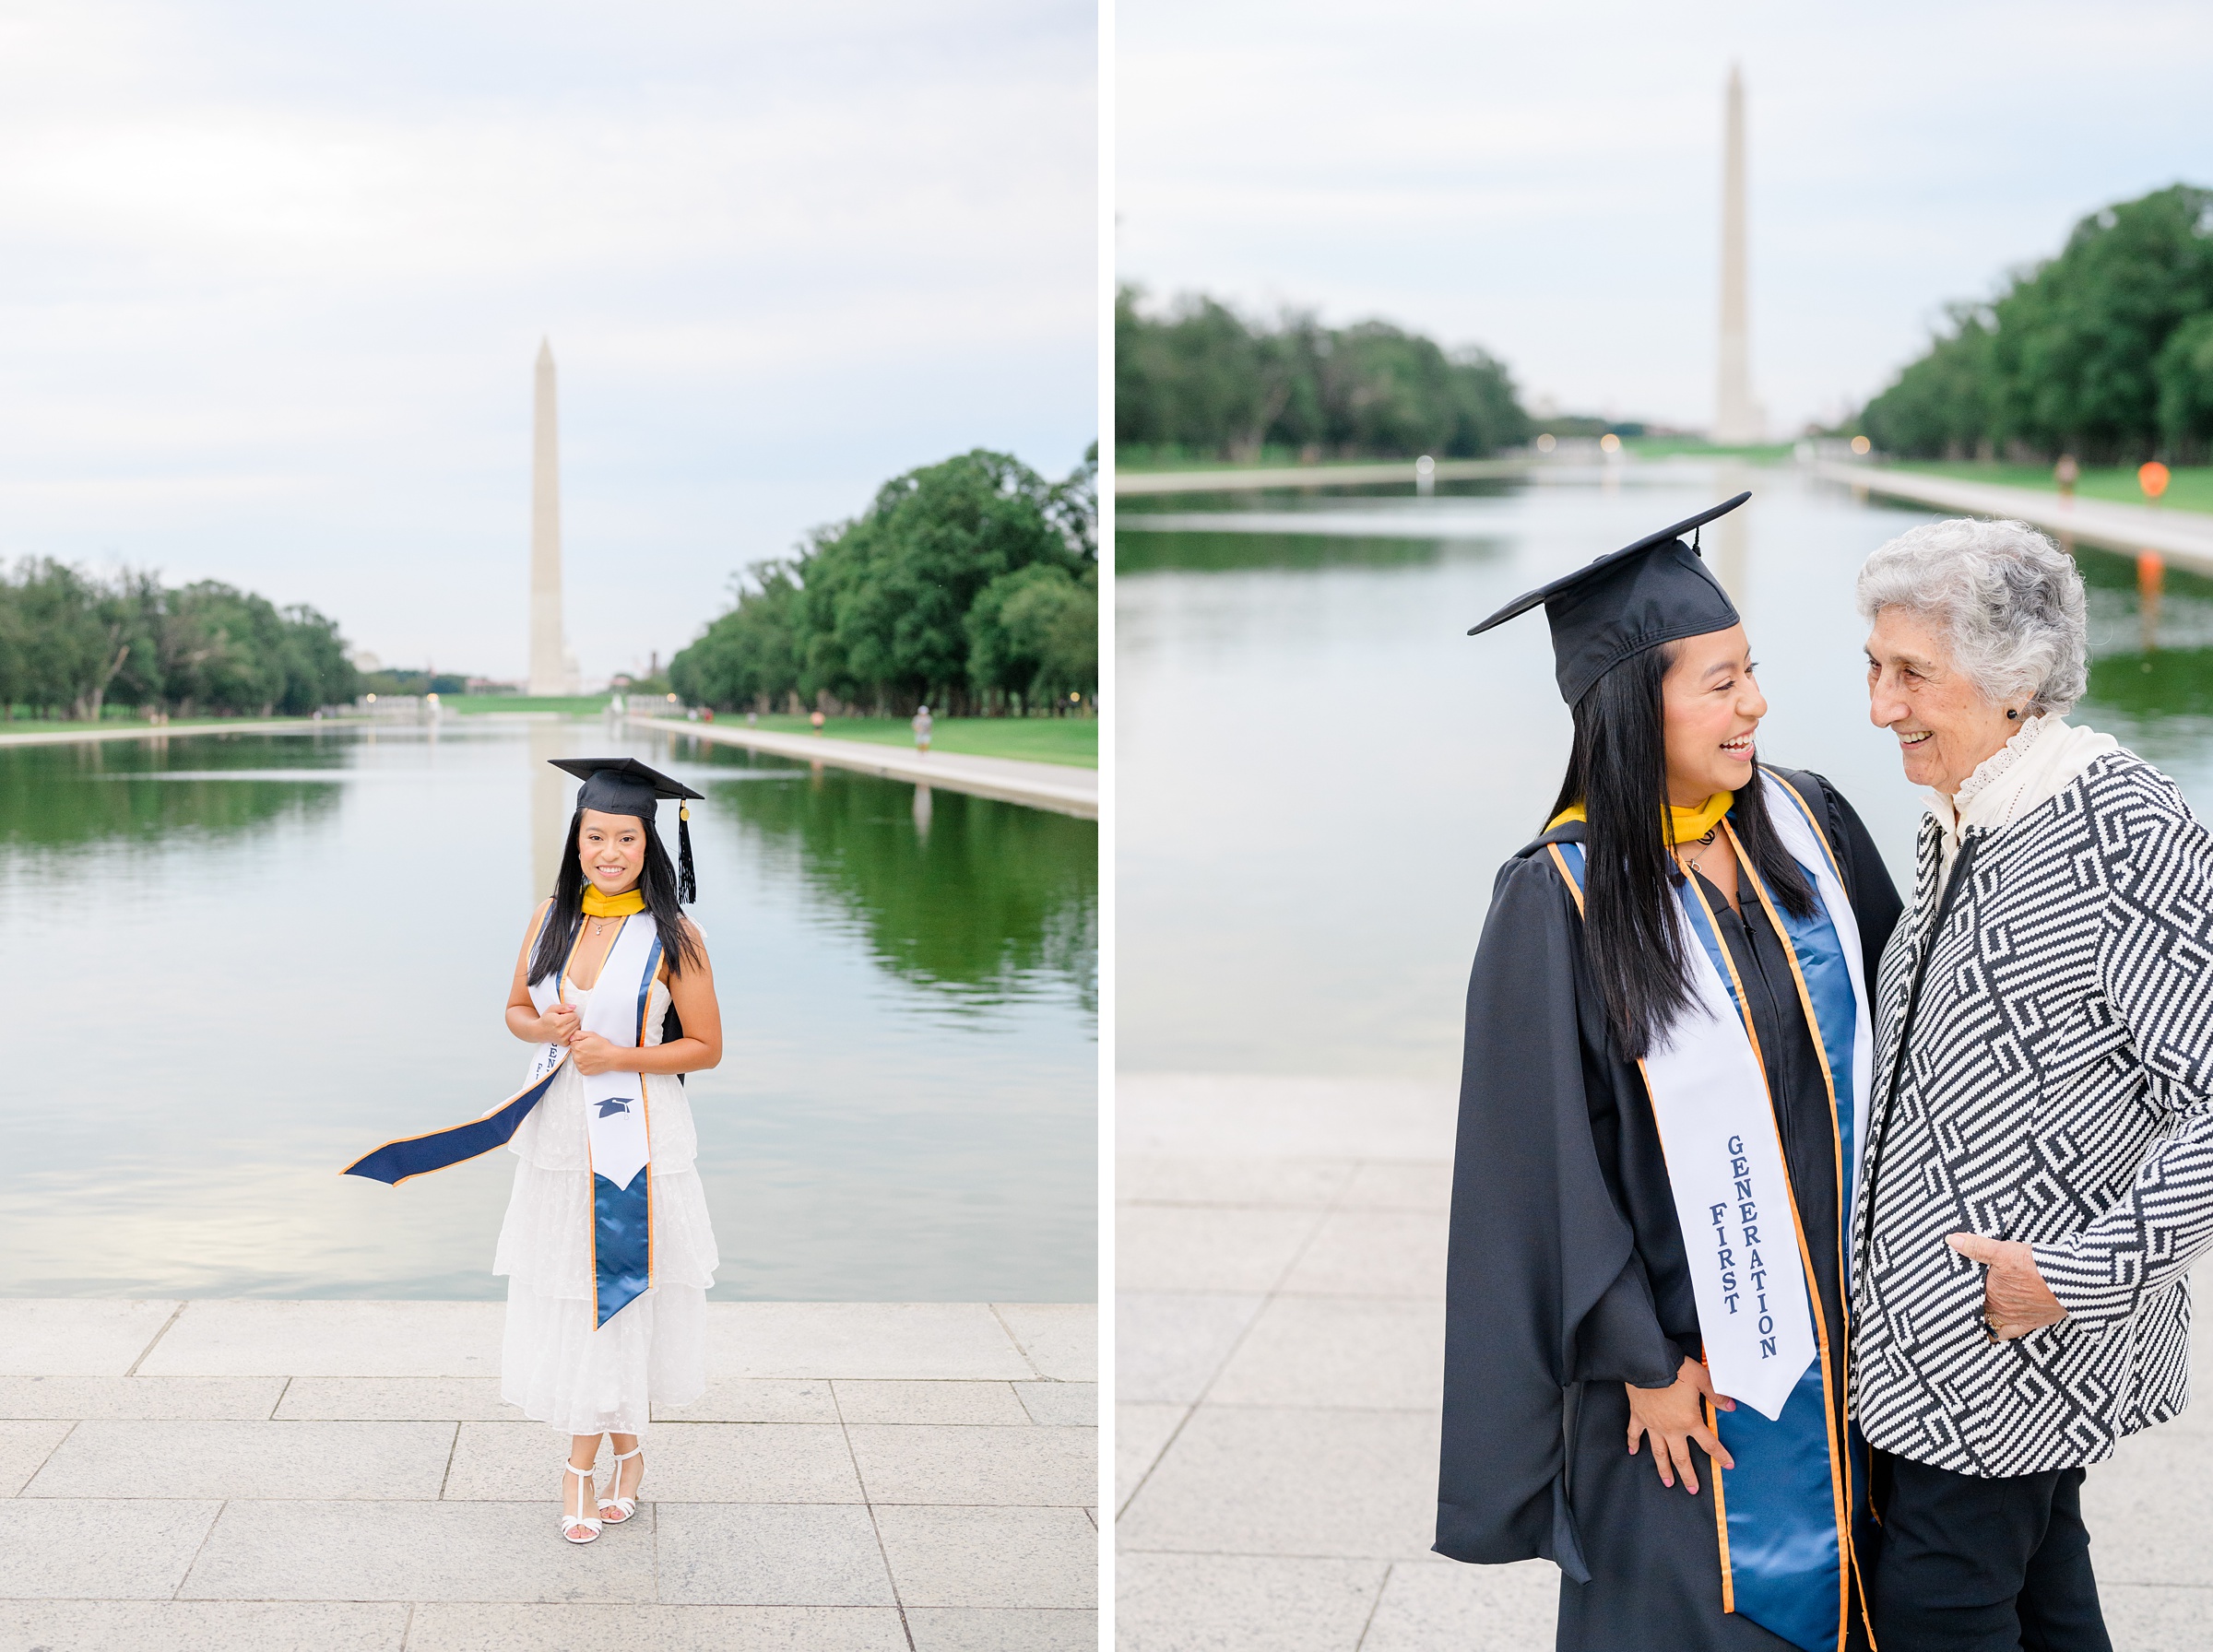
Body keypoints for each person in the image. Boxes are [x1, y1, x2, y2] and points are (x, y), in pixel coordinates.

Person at [1436, 493, 1903, 1651]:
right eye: (1720, 682)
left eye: (1753, 672)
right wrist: (1638, 1359)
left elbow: (1913, 1031)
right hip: (1694, 1373)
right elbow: (1543, 1163)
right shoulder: (1560, 897)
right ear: (1636, 707)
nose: (1756, 704)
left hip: (1859, 1344)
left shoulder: (1810, 823)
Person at [1852, 518, 2213, 1649]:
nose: (1881, 704)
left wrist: (2070, 1275)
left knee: (1936, 1612)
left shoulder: (2119, 828)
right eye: (1874, 665)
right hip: (1936, 1348)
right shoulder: (1970, 809)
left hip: (2009, 1350)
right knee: (2047, 1597)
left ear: (2014, 681)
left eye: (1914, 672)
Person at [346, 757, 723, 1545]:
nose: (609, 851)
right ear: (576, 839)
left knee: (616, 1288)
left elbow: (706, 1047)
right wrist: (544, 1029)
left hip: (635, 1134)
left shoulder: (675, 935)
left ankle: (582, 1467)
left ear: (649, 842)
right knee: (571, 1292)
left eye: (626, 837)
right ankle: (625, 1448)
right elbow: (517, 1009)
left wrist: (621, 1056)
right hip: (557, 1133)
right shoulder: (553, 915)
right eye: (596, 836)